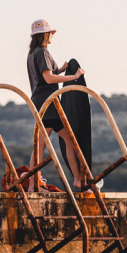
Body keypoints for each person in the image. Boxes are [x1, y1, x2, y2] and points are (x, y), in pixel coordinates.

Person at [26, 19, 87, 189]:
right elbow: (48, 78)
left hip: (41, 101)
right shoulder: (43, 52)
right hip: (48, 102)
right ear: (45, 35)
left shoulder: (32, 54)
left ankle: (74, 179)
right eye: (50, 32)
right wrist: (74, 77)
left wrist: (61, 69)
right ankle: (35, 183)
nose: (53, 35)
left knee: (60, 140)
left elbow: (45, 76)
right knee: (53, 142)